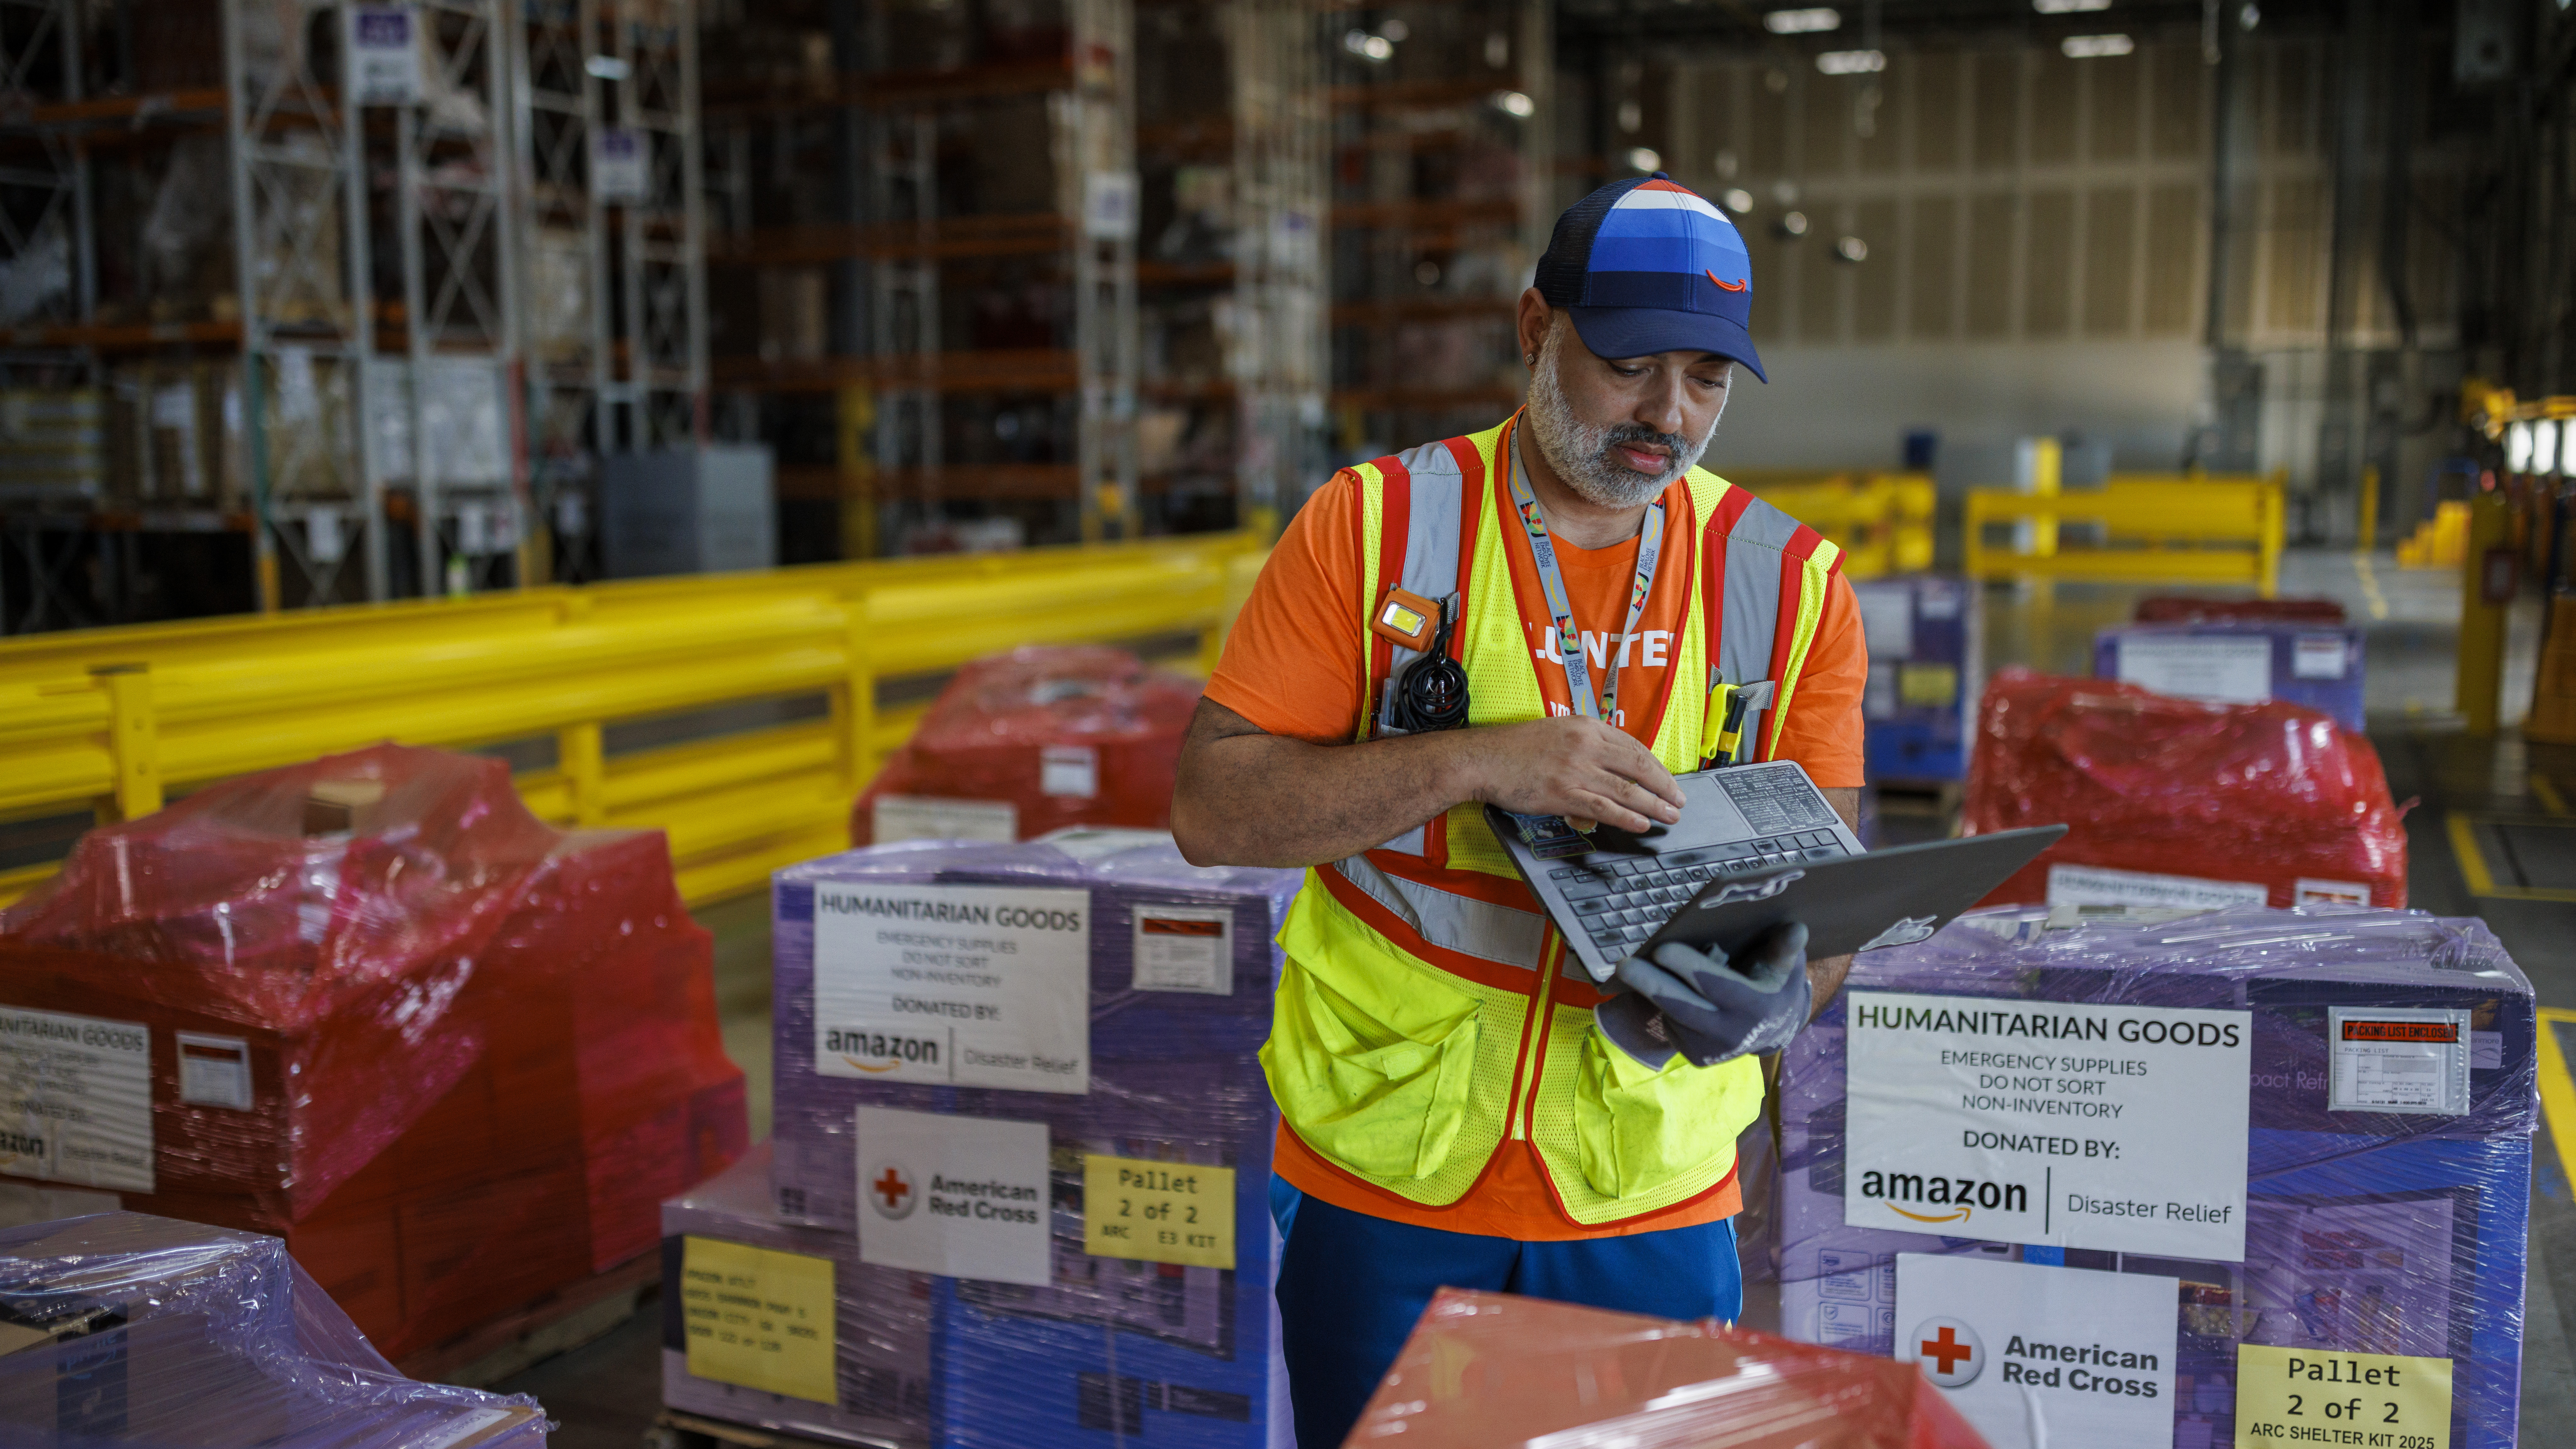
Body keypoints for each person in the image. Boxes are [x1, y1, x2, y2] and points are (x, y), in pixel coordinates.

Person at [1169, 172, 1867, 1449]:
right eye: (1628, 365)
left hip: (1646, 1187)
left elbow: (1826, 888)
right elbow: (1212, 809)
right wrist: (1469, 762)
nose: (1669, 414)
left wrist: (1788, 995)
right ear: (1534, 329)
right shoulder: (1374, 530)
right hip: (1389, 1170)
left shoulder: (1789, 581)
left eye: (1706, 379)